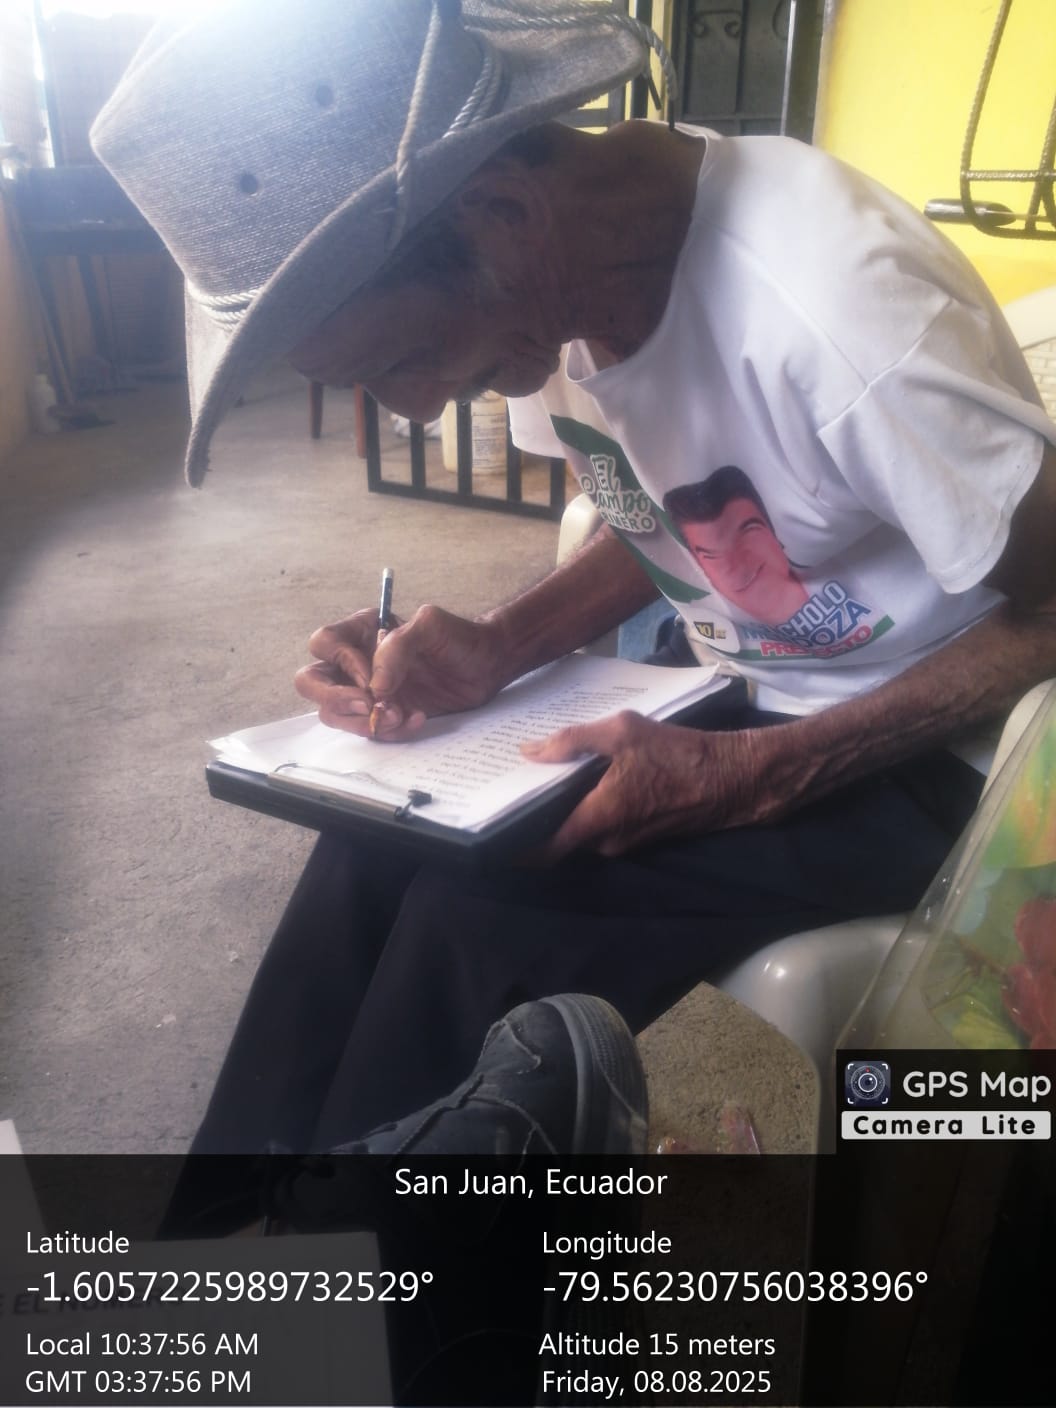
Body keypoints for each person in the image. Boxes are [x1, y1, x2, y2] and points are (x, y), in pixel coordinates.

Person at [91, 0, 1056, 1155]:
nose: (412, 408)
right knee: (375, 837)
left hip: (935, 753)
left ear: (502, 214)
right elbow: (661, 517)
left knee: (479, 922)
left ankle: (359, 1256)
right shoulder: (556, 287)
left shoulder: (840, 315)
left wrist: (757, 775)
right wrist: (497, 644)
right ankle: (228, 1226)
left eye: (401, 360)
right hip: (729, 692)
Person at [663, 468, 810, 629]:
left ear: (773, 532)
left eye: (748, 534)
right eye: (711, 556)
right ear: (703, 571)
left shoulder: (824, 560)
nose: (737, 564)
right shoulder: (708, 623)